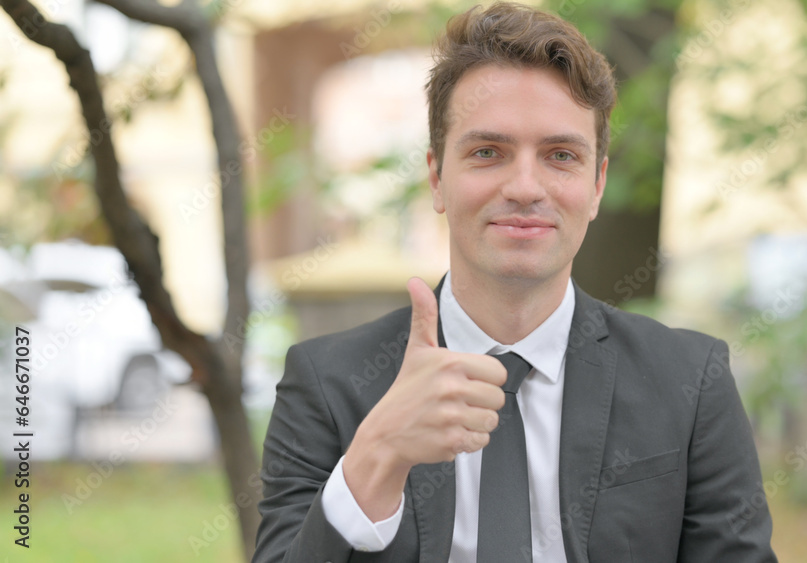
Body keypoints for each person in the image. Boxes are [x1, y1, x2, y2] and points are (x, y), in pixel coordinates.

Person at [251, 2, 777, 562]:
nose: (526, 186)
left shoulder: (691, 382)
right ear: (436, 175)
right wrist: (377, 454)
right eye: (487, 152)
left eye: (560, 155)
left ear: (597, 184)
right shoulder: (327, 384)